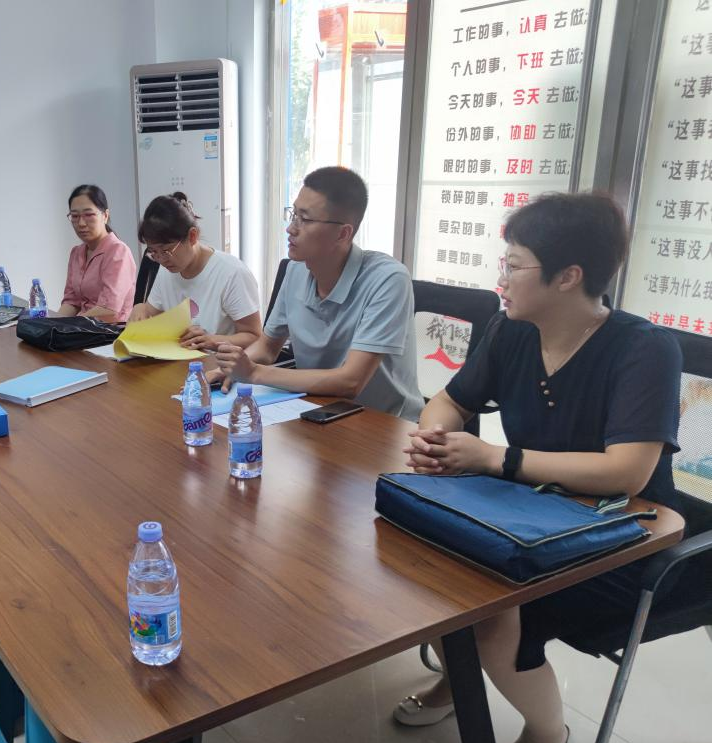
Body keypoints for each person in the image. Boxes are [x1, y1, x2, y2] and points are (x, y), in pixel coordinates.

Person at [396, 192, 682, 743]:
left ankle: (549, 732)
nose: (501, 279)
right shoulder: (513, 329)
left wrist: (496, 458)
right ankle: (461, 678)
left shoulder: (645, 350)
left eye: (514, 266)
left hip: (622, 535)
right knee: (423, 558)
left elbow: (627, 473)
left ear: (568, 276)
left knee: (487, 606)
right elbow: (451, 400)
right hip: (530, 509)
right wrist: (437, 436)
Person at [213, 167, 422, 420]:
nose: (291, 229)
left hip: (384, 424)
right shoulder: (295, 270)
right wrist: (232, 366)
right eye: (293, 215)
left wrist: (254, 373)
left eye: (305, 219)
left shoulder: (388, 280)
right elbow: (267, 347)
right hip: (317, 410)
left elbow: (351, 382)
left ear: (343, 233)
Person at [129, 192, 262, 351]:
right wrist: (141, 308)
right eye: (153, 252)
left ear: (192, 236)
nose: (161, 260)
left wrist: (212, 341)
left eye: (166, 251)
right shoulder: (167, 269)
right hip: (179, 359)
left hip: (217, 362)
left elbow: (255, 337)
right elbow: (151, 314)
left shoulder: (232, 273)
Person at [57, 184, 136, 322]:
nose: (81, 223)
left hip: (110, 330)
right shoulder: (76, 253)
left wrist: (70, 325)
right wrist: (54, 323)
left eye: (89, 215)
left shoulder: (118, 252)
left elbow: (109, 310)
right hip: (83, 327)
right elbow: (71, 301)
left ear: (105, 215)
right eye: (75, 216)